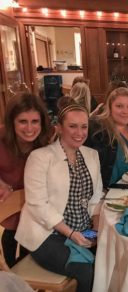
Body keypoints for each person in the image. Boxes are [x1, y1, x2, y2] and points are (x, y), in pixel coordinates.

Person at [16, 102, 103, 292]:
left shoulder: (91, 155)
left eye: (84, 126)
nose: (79, 132)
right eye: (72, 126)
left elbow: (96, 197)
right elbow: (37, 205)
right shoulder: (40, 157)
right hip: (47, 234)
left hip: (82, 229)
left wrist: (95, 230)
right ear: (59, 128)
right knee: (86, 270)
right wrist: (71, 234)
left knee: (110, 258)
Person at [0, 93, 50, 267]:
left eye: (35, 121)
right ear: (11, 122)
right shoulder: (1, 137)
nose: (29, 128)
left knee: (32, 253)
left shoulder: (47, 140)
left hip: (37, 207)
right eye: (22, 121)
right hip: (9, 206)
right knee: (11, 248)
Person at [85, 87, 128, 187]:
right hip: (107, 194)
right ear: (110, 108)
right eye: (119, 106)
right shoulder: (97, 131)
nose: (125, 111)